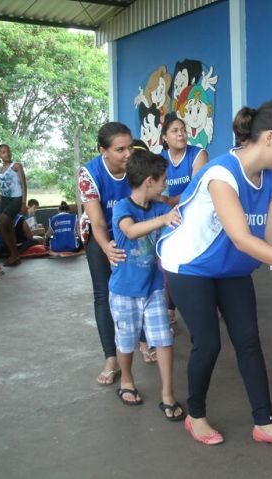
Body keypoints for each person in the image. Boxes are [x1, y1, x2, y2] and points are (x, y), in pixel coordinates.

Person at [157, 101, 272, 448]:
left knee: (248, 340)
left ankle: (264, 424)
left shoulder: (271, 177)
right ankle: (196, 415)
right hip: (190, 265)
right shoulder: (222, 173)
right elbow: (242, 238)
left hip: (231, 266)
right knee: (208, 343)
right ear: (269, 137)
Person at [109, 148, 184, 420]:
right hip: (124, 290)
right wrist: (163, 220)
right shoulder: (123, 207)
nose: (165, 184)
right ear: (149, 181)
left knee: (163, 339)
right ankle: (127, 380)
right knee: (126, 341)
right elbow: (129, 230)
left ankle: (167, 394)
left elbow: (179, 220)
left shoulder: (161, 208)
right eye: (163, 179)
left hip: (153, 287)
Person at [78, 122, 133, 385]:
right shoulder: (89, 173)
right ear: (103, 150)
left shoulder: (136, 165)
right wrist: (106, 247)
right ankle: (111, 357)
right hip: (99, 233)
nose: (128, 154)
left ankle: (143, 341)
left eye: (130, 147)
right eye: (120, 150)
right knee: (104, 293)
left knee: (138, 287)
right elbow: (98, 222)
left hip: (130, 230)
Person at [160, 114, 208, 207]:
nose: (180, 134)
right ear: (165, 137)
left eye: (183, 130)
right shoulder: (159, 159)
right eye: (175, 131)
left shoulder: (199, 154)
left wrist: (169, 202)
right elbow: (159, 196)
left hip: (193, 209)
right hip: (168, 213)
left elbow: (195, 190)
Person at [0, 144, 27, 266]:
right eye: (3, 152)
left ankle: (14, 254)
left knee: (0, 227)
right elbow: (4, 185)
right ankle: (15, 255)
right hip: (4, 200)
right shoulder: (1, 168)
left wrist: (24, 203)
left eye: (8, 151)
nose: (7, 154)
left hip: (16, 199)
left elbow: (23, 185)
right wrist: (0, 198)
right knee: (9, 228)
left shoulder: (16, 166)